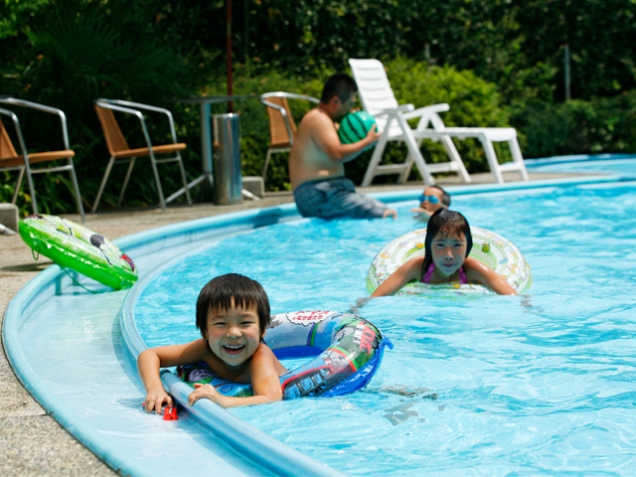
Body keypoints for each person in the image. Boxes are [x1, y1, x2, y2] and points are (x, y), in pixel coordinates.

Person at [138, 273, 287, 410]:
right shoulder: (205, 350)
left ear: (262, 330)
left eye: (245, 322)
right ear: (205, 332)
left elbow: (272, 398)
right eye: (221, 324)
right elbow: (149, 355)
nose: (233, 333)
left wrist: (223, 401)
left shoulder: (260, 357)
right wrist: (155, 389)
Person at [289, 73, 397, 220]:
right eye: (350, 104)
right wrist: (367, 141)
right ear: (335, 101)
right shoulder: (318, 119)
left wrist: (358, 129)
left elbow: (346, 148)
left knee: (385, 211)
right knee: (383, 215)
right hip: (317, 193)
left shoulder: (329, 121)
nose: (352, 108)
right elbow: (337, 155)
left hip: (330, 191)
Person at [371, 208, 517, 296]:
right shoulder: (418, 268)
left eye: (457, 245)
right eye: (440, 245)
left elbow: (513, 298)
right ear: (429, 246)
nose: (449, 255)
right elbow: (376, 298)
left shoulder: (471, 269)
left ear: (468, 246)